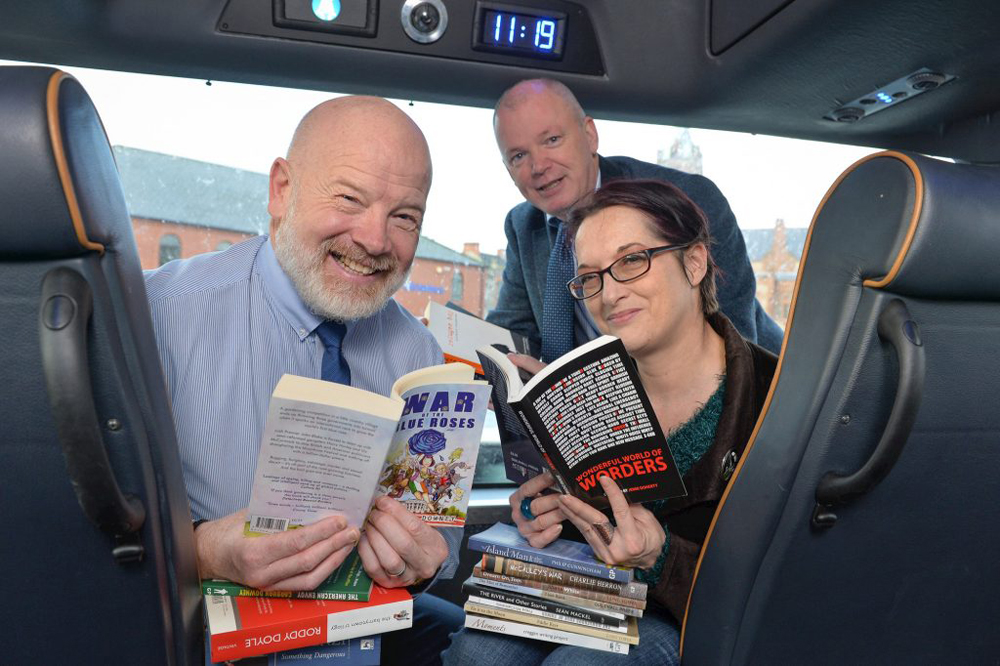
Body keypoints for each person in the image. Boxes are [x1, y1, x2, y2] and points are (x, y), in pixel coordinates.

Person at [144, 96, 462, 664]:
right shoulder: (159, 312)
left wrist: (427, 560)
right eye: (349, 199)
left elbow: (443, 530)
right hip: (198, 625)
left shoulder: (419, 352)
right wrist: (204, 551)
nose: (374, 240)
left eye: (405, 217)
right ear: (282, 190)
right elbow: (90, 524)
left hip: (365, 620)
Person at [443, 179, 777, 665]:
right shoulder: (584, 392)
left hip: (695, 614)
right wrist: (546, 516)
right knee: (477, 653)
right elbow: (587, 520)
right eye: (591, 277)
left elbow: (790, 589)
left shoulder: (778, 398)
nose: (609, 294)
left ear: (695, 261)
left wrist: (660, 558)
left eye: (631, 260)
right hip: (594, 590)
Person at [486, 78, 784, 363]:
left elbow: (733, 344)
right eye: (518, 156)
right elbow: (512, 334)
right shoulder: (523, 225)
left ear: (590, 135)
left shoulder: (688, 199)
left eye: (551, 140)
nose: (538, 166)